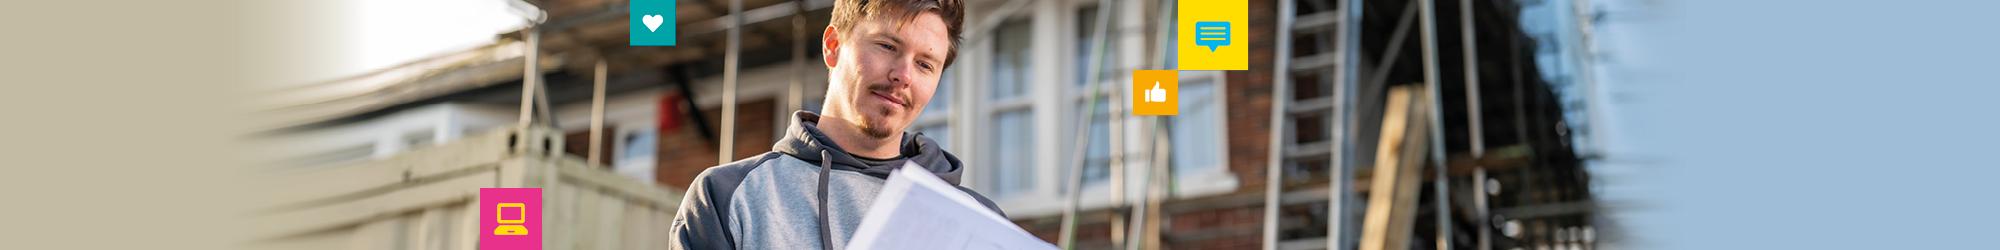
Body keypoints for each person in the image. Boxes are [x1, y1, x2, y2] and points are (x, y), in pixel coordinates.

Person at [665, 0, 997, 248]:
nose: (903, 76)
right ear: (833, 46)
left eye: (925, 64)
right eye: (887, 46)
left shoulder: (982, 225)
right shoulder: (727, 197)